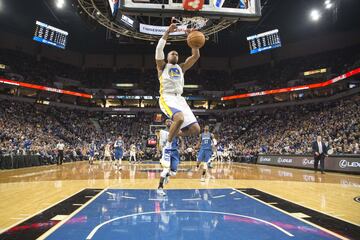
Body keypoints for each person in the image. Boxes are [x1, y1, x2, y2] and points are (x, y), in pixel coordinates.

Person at [155, 23, 201, 165]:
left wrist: (192, 39)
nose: (174, 53)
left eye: (176, 53)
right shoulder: (162, 66)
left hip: (180, 99)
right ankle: (167, 149)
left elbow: (195, 56)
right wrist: (168, 31)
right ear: (167, 57)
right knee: (179, 118)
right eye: (172, 53)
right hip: (167, 97)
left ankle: (170, 134)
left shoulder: (181, 67)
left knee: (195, 129)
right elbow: (158, 49)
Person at [157, 119, 184, 196]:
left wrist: (182, 147)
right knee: (165, 170)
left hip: (175, 151)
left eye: (170, 121)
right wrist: (160, 151)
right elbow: (160, 142)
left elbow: (182, 139)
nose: (169, 122)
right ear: (165, 123)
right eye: (167, 121)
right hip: (167, 151)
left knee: (173, 173)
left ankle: (167, 176)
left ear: (172, 123)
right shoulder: (163, 132)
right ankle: (160, 188)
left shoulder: (177, 131)